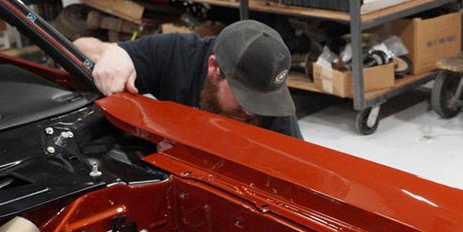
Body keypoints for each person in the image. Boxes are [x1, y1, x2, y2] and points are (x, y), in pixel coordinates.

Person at [75, 20, 302, 139]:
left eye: (260, 101)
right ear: (214, 67)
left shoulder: (273, 110)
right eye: (244, 98)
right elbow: (80, 46)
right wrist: (109, 52)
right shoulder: (177, 53)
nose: (252, 111)